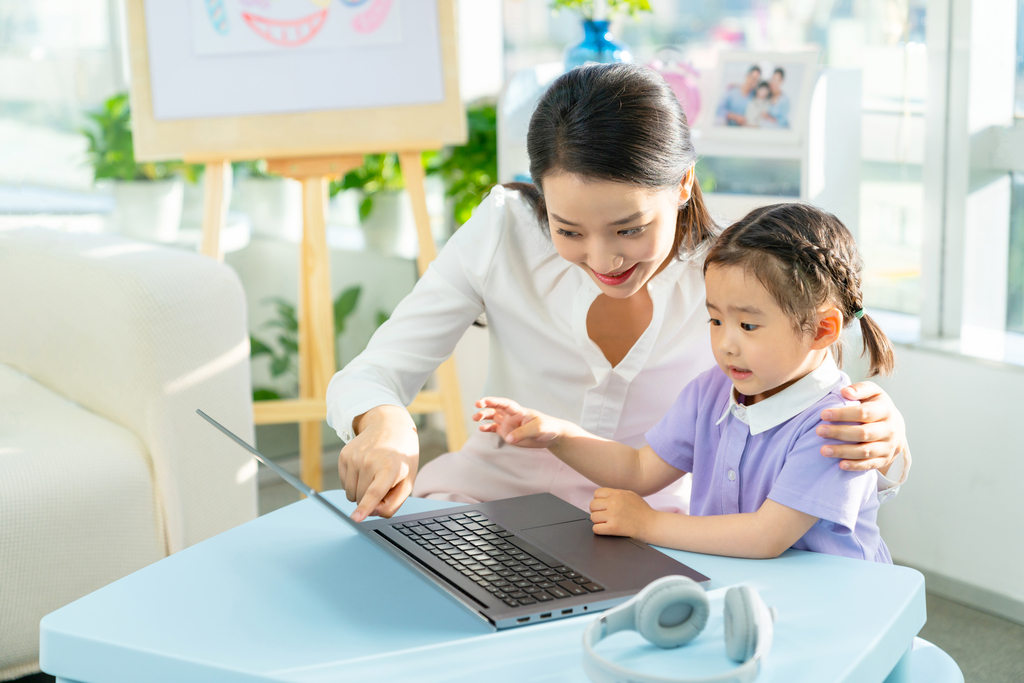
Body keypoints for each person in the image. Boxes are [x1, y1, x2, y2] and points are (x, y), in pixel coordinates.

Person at [327, 63, 909, 524]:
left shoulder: (741, 277)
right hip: (484, 505)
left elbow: (812, 412)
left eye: (630, 229)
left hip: (654, 527)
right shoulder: (504, 229)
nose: (604, 260)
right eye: (569, 231)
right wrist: (383, 421)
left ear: (683, 184)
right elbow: (374, 371)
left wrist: (886, 442)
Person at [474, 203, 892, 563]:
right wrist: (557, 435)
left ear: (822, 330)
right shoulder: (711, 392)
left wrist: (648, 524)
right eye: (715, 320)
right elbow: (638, 470)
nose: (725, 344)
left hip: (835, 606)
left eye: (748, 324)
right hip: (750, 587)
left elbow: (766, 537)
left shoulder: (840, 424)